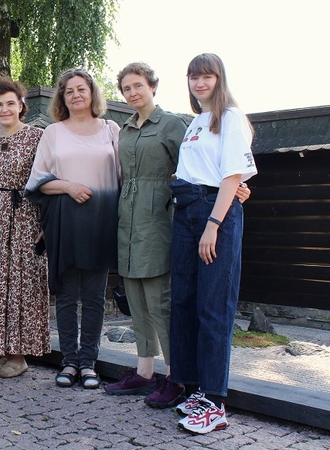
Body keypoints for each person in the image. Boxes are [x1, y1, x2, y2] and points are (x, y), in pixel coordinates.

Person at [105, 62, 253, 405]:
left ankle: (192, 385)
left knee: (171, 300)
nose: (132, 92)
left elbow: (219, 164)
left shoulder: (177, 123)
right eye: (126, 88)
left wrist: (233, 190)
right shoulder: (130, 128)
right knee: (148, 298)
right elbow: (190, 167)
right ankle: (152, 373)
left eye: (138, 85)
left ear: (153, 86)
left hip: (170, 214)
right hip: (138, 215)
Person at [170, 53, 256, 434]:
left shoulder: (231, 117)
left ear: (219, 79)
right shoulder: (195, 122)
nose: (200, 83)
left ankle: (214, 402)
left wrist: (214, 224)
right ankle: (193, 387)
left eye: (207, 76)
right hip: (186, 211)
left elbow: (232, 175)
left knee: (213, 306)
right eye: (194, 77)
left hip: (212, 214)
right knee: (184, 302)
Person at [25, 68, 119, 389]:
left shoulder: (111, 130)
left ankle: (88, 363)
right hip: (64, 222)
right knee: (65, 297)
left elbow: (126, 177)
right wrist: (68, 186)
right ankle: (69, 362)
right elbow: (37, 182)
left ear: (92, 93)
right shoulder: (53, 133)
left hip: (101, 222)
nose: (76, 95)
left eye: (81, 89)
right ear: (62, 98)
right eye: (69, 91)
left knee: (94, 296)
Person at [0, 78, 50, 378]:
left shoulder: (37, 137)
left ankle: (20, 355)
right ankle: (2, 350)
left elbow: (49, 179)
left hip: (26, 217)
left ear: (21, 106)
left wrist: (47, 225)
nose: (4, 109)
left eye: (10, 103)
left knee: (21, 284)